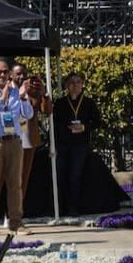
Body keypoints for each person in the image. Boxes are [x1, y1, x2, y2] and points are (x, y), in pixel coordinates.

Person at [53, 73, 102, 215]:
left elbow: (97, 122)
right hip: (63, 144)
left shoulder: (88, 103)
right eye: (72, 82)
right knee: (61, 175)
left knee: (75, 175)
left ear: (82, 85)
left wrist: (84, 127)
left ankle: (73, 207)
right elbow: (55, 122)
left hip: (80, 144)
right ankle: (60, 207)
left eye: (78, 82)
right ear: (67, 85)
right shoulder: (60, 103)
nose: (75, 85)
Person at [0, 59, 34, 235]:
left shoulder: (15, 92)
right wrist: (2, 98)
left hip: (14, 142)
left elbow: (28, 114)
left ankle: (16, 222)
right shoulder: (3, 94)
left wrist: (23, 97)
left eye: (4, 72)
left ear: (9, 74)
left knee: (15, 184)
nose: (1, 75)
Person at [13, 65, 52, 193]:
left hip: (28, 140)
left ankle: (16, 210)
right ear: (11, 75)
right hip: (9, 140)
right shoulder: (5, 91)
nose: (22, 77)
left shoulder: (34, 92)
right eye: (18, 74)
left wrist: (44, 93)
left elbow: (47, 111)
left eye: (25, 73)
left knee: (23, 178)